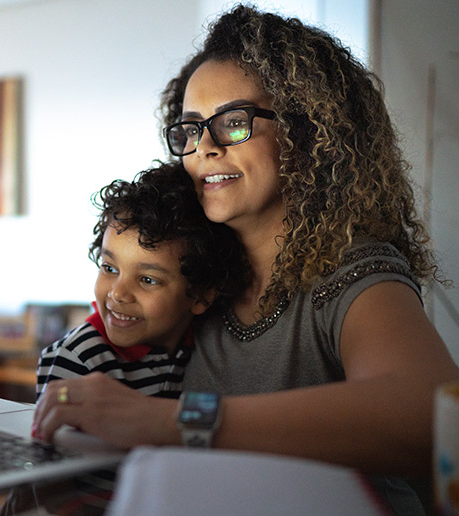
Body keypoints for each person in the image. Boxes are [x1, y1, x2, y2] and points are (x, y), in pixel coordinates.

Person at [32, 4, 459, 515]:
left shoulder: (354, 273)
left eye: (234, 122)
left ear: (306, 135)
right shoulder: (199, 278)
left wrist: (174, 422)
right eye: (190, 129)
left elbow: (426, 413)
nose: (204, 148)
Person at [36, 161, 246, 401]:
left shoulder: (205, 345)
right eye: (109, 268)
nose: (118, 293)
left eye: (147, 279)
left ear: (201, 296)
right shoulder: (78, 358)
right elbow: (54, 435)